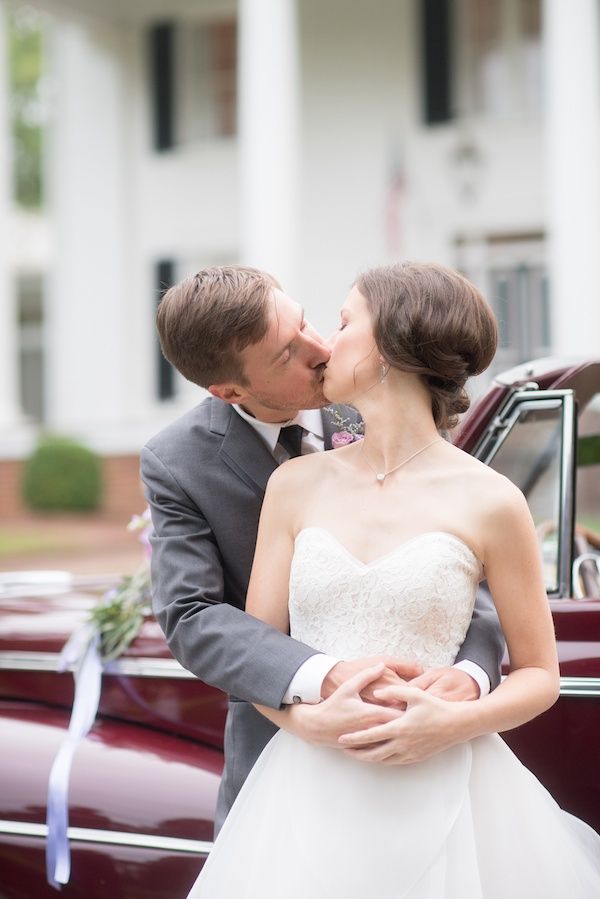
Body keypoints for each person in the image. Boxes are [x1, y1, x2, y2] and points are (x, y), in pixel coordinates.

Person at [186, 262, 600, 897]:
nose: (327, 341)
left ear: (389, 348)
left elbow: (542, 675)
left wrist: (455, 721)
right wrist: (306, 724)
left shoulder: (492, 500)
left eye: (346, 320)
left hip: (452, 790)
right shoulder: (294, 484)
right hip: (306, 789)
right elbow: (257, 648)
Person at [140, 266, 504, 836]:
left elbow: (461, 562)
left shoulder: (371, 388)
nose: (319, 348)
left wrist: (472, 676)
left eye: (306, 321)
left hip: (429, 740)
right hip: (283, 754)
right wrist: (318, 684)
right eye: (286, 353)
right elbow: (192, 615)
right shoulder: (178, 462)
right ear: (230, 391)